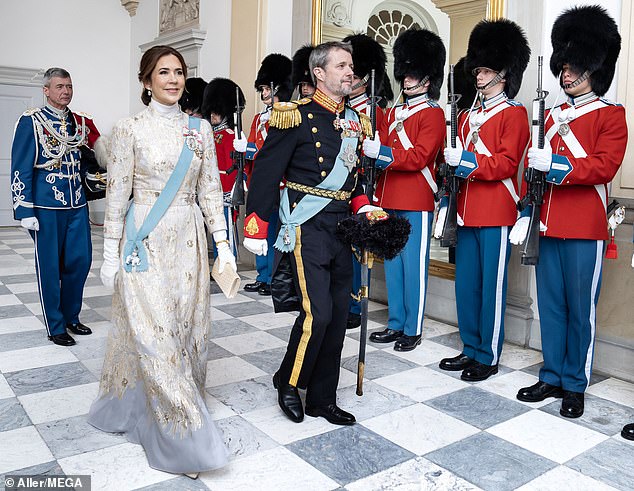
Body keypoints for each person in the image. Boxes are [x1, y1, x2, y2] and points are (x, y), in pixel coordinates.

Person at [89, 45, 235, 475]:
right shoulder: (128, 129)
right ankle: (185, 439)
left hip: (188, 240)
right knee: (156, 337)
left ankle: (171, 409)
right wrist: (110, 255)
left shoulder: (199, 131)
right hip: (144, 241)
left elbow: (210, 190)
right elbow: (117, 197)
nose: (173, 79)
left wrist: (223, 244)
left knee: (187, 331)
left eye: (179, 72)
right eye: (164, 72)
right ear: (146, 80)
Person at [243, 41, 377, 425]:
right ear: (319, 73)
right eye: (341, 66)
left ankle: (322, 397)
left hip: (343, 228)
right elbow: (266, 172)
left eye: (351, 66)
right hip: (307, 225)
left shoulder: (355, 122)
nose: (350, 72)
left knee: (336, 317)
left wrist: (364, 204)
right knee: (316, 314)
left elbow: (355, 179)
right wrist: (257, 224)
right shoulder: (293, 115)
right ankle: (289, 382)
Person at [511, 5, 627, 419]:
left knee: (581, 309)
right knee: (552, 305)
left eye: (574, 67)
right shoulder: (552, 115)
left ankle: (575, 383)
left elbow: (604, 166)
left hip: (583, 225)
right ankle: (553, 373)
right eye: (564, 66)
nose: (566, 74)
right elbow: (529, 167)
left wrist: (557, 166)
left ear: (594, 70)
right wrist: (527, 207)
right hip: (547, 221)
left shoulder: (611, 116)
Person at [437, 19, 531, 381]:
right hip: (466, 209)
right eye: (478, 68)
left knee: (491, 288)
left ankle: (488, 354)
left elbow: (507, 163)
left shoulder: (515, 113)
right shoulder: (465, 117)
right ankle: (470, 347)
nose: (478, 74)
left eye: (487, 69)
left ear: (503, 74)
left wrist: (467, 162)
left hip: (496, 210)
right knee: (467, 285)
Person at [363, 28, 446, 351]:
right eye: (405, 73)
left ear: (427, 78)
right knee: (394, 266)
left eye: (413, 74)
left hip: (416, 198)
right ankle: (396, 322)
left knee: (414, 267)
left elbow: (419, 158)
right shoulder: (395, 112)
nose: (407, 80)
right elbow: (382, 144)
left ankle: (413, 327)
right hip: (389, 195)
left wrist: (381, 153)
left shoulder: (434, 114)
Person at [10, 67, 100, 347]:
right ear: (46, 90)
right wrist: (24, 210)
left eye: (69, 86)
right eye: (60, 86)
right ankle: (55, 324)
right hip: (46, 206)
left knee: (80, 261)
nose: (66, 91)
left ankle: (72, 316)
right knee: (49, 267)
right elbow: (21, 167)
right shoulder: (32, 122)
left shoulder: (80, 122)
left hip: (76, 203)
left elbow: (85, 160)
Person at [342, 33, 390, 331]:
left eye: (354, 74)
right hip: (341, 186)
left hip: (364, 185)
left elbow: (383, 152)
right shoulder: (341, 110)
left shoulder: (377, 111)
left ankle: (357, 304)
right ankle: (345, 301)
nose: (349, 78)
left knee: (360, 250)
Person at [234, 53, 293, 296]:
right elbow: (255, 149)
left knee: (280, 231)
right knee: (260, 226)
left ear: (277, 87)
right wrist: (244, 152)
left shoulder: (289, 113)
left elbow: (277, 151)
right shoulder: (259, 118)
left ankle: (277, 277)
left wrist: (251, 150)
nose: (263, 93)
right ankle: (263, 275)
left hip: (282, 181)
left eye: (265, 88)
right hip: (263, 181)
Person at [201, 77, 246, 254]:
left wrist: (231, 191)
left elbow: (234, 165)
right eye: (211, 111)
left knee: (226, 230)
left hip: (226, 190)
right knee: (215, 229)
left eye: (217, 112)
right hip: (211, 188)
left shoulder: (229, 135)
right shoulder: (209, 134)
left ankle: (229, 266)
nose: (213, 115)